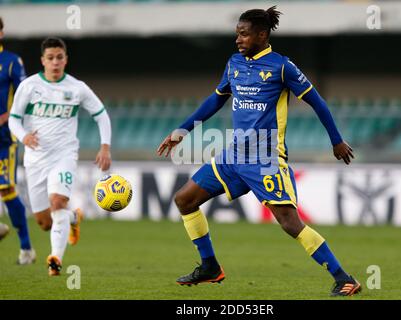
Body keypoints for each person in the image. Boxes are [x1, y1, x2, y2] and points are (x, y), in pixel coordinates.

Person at [157, 6, 361, 297]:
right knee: (184, 199)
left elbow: (318, 102)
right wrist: (182, 131)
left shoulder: (282, 67)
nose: (238, 39)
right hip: (233, 156)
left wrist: (336, 140)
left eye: (244, 34)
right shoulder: (234, 63)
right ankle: (210, 267)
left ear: (262, 35)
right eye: (237, 34)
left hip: (265, 159)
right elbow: (215, 100)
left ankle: (344, 278)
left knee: (290, 223)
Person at [9, 37, 112, 276]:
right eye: (50, 58)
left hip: (64, 155)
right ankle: (73, 218)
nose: (55, 62)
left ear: (66, 59)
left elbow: (101, 114)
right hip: (35, 159)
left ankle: (55, 260)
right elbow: (14, 119)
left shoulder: (77, 88)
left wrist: (105, 147)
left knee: (57, 203)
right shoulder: (29, 86)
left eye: (59, 57)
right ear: (42, 61)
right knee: (45, 223)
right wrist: (24, 136)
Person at [0, 16, 36, 264]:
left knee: (7, 189)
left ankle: (26, 249)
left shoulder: (12, 63)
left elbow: (25, 99)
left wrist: (7, 119)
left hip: (3, 138)